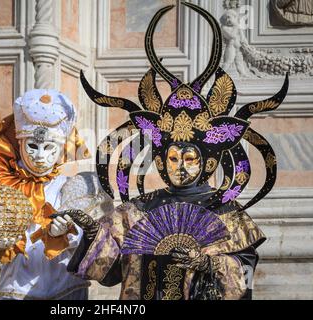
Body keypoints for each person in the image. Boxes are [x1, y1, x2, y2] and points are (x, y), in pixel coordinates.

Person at [55, 2, 289, 300]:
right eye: (173, 159)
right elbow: (110, 272)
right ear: (162, 163)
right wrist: (92, 234)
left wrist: (208, 263)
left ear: (207, 162)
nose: (181, 167)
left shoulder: (225, 212)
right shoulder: (135, 212)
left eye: (189, 159)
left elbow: (245, 272)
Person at [0, 89, 112, 300]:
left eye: (49, 147)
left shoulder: (78, 188)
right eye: (33, 146)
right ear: (20, 144)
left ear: (62, 148)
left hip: (67, 292)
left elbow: (102, 241)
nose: (40, 156)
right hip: (15, 291)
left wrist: (68, 234)